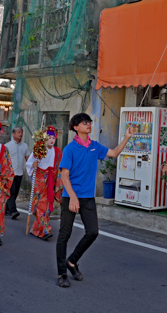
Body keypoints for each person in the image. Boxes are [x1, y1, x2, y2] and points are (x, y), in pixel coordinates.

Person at [56, 113, 134, 288]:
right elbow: (64, 176)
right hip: (70, 197)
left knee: (93, 232)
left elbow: (113, 153)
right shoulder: (70, 149)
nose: (88, 124)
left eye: (89, 122)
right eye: (84, 122)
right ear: (76, 127)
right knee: (64, 235)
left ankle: (72, 261)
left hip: (88, 198)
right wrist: (73, 198)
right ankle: (62, 273)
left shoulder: (94, 146)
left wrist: (127, 137)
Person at [26, 126, 62, 240]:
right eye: (49, 137)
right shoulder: (39, 149)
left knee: (48, 206)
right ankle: (45, 230)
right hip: (39, 179)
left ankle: (37, 229)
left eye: (53, 137)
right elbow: (29, 163)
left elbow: (60, 166)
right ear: (45, 138)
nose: (51, 140)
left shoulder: (57, 151)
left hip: (51, 179)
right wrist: (33, 164)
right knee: (40, 204)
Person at [5, 126, 31, 219]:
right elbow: (4, 160)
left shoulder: (25, 146)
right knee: (11, 192)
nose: (20, 134)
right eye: (18, 132)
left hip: (19, 173)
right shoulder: (7, 146)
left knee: (15, 193)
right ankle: (13, 211)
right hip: (10, 174)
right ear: (13, 134)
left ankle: (7, 210)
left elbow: (28, 159)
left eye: (21, 132)